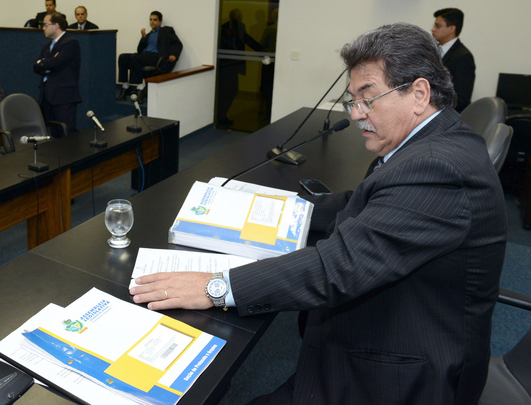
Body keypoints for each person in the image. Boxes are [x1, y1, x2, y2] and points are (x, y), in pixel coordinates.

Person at [130, 23, 507, 404]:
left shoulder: (438, 168)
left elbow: (339, 266)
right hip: (372, 336)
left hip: (398, 375)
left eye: (368, 99)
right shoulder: (429, 143)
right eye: (352, 100)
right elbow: (365, 203)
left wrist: (215, 286)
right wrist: (283, 208)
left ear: (419, 94)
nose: (357, 114)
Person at [116, 11, 182, 101]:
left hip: (157, 57)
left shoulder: (166, 31)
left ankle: (140, 88)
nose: (152, 22)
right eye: (150, 20)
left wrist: (174, 55)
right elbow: (139, 50)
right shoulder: (148, 35)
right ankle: (125, 86)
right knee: (122, 57)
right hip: (145, 56)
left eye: (155, 20)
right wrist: (143, 38)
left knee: (135, 57)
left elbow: (178, 44)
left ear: (160, 22)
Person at [33, 13, 81, 135]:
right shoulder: (47, 45)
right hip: (46, 95)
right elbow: (36, 67)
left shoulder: (70, 43)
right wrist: (47, 63)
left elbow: (56, 63)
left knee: (66, 132)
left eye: (46, 25)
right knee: (52, 133)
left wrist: (44, 62)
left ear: (56, 25)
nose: (43, 28)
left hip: (63, 96)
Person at [217, 9, 263, 126]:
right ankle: (220, 116)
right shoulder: (230, 27)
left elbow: (246, 40)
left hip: (229, 65)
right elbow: (246, 40)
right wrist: (262, 51)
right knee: (229, 90)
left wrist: (262, 51)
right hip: (228, 65)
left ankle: (221, 115)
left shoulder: (229, 27)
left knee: (229, 90)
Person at [431, 7, 475, 112]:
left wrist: (431, 102)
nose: (433, 29)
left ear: (451, 29)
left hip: (445, 115)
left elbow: (462, 99)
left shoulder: (463, 57)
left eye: (438, 26)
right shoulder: (434, 50)